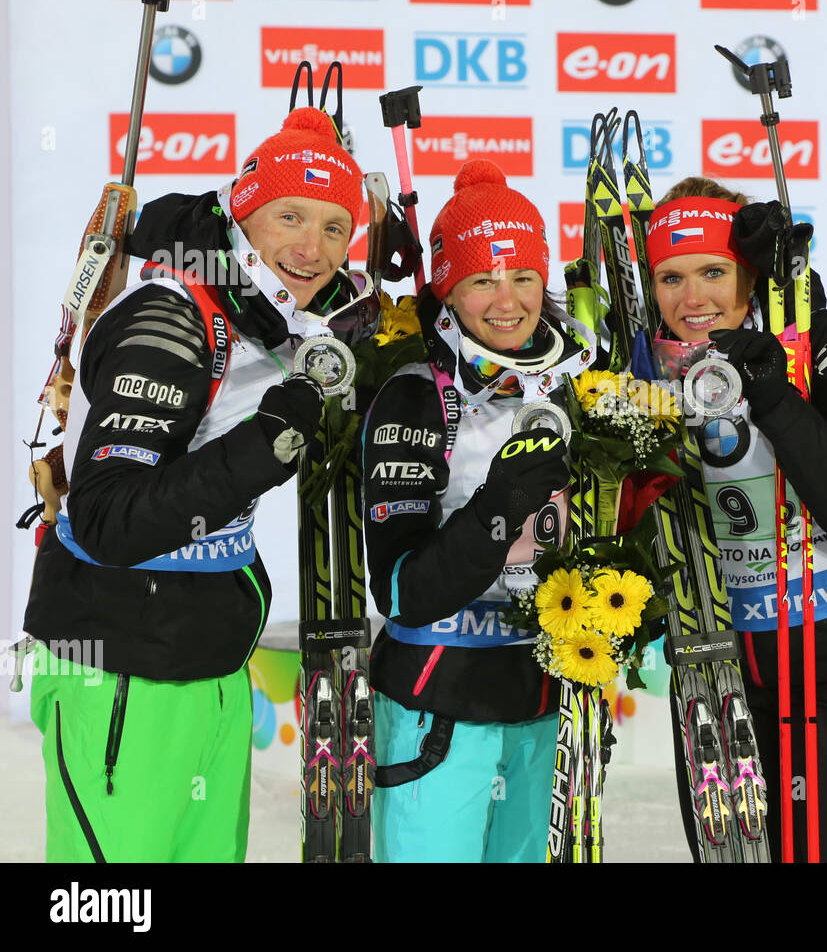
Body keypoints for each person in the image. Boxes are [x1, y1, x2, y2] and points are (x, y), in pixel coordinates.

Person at [23, 106, 375, 862]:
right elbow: (110, 520)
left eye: (335, 227)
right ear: (243, 216)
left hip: (206, 665)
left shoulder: (273, 317)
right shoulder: (173, 318)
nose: (312, 248)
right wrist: (264, 446)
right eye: (290, 216)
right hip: (122, 668)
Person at [644, 177, 827, 862]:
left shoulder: (813, 341)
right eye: (671, 276)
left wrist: (777, 397)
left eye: (712, 271)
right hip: (719, 672)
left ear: (748, 274)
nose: (692, 298)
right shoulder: (643, 375)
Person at [363, 159, 597, 862]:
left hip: (538, 697)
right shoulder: (414, 396)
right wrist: (497, 509)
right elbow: (401, 590)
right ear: (447, 288)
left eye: (523, 275)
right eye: (481, 279)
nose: (507, 299)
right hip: (440, 695)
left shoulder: (578, 383)